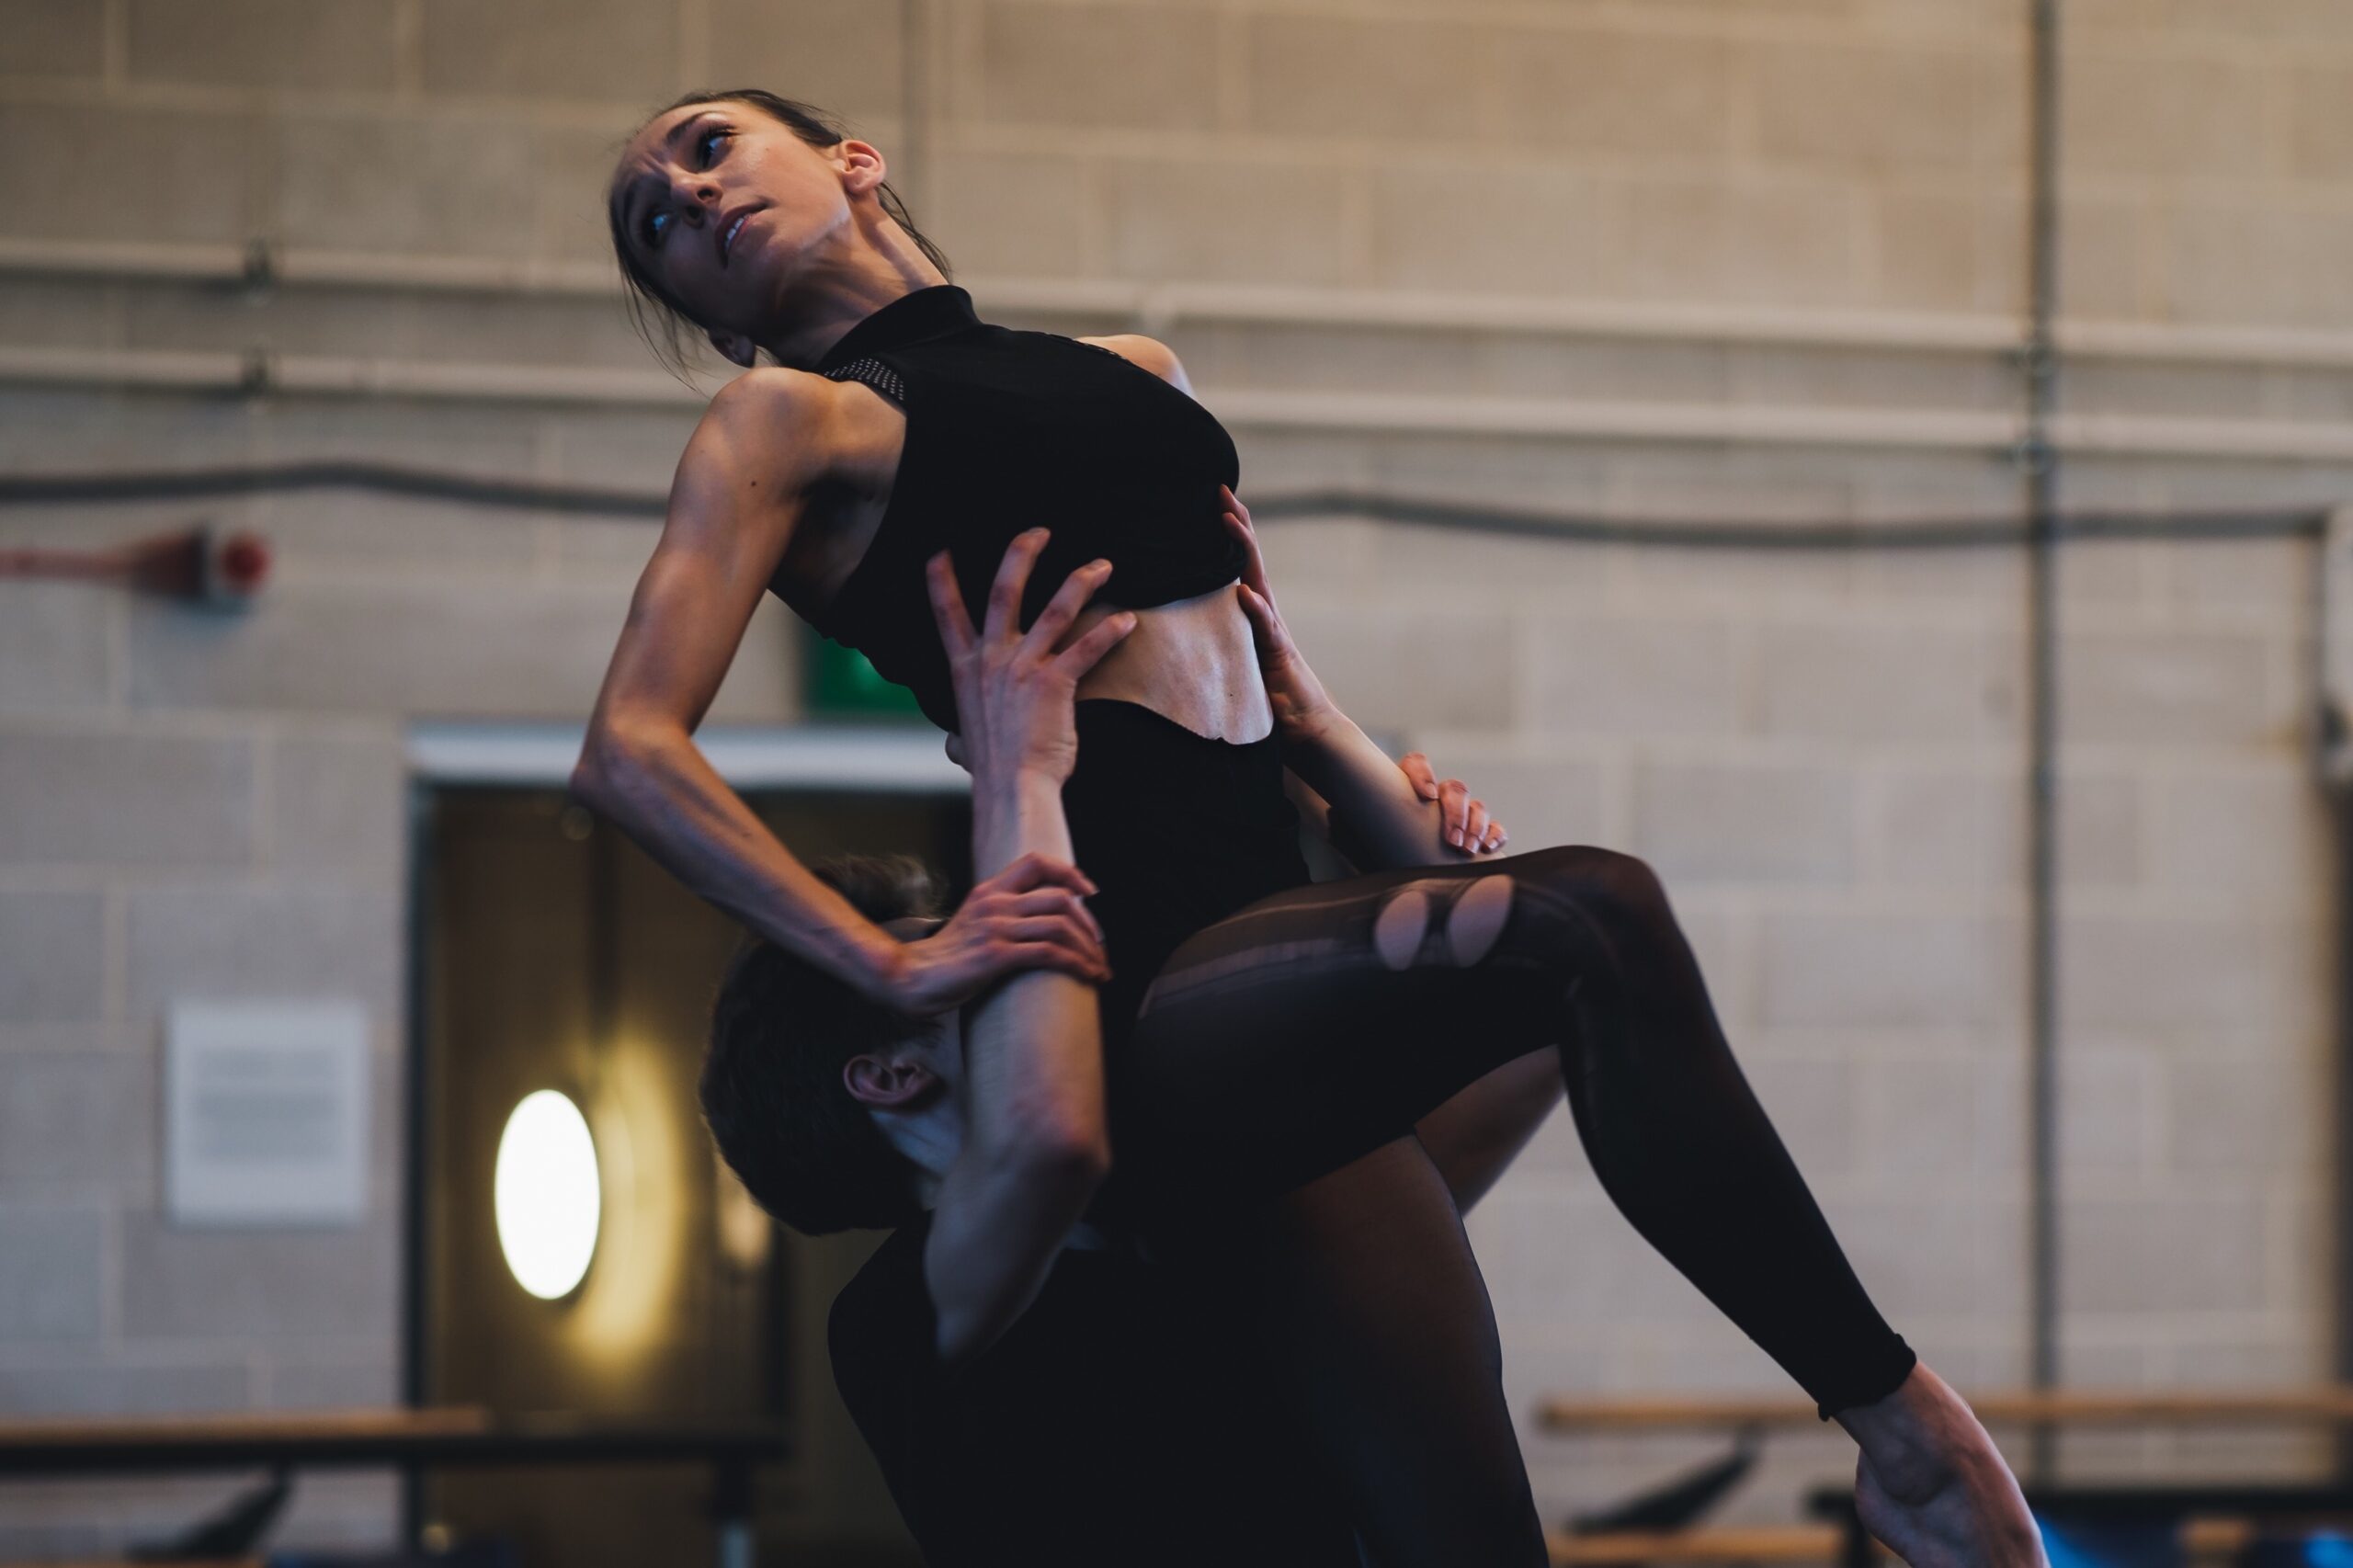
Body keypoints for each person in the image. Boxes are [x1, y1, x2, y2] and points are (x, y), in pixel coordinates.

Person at [578, 86, 2044, 1565]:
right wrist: (887, 966)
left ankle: (1890, 1425)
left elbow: (1255, 712)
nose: (689, 197)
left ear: (853, 159)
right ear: (711, 321)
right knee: (1591, 912)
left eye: (710, 148)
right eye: (657, 223)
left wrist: (1351, 765)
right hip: (1140, 995)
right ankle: (1899, 1423)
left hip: (1269, 983)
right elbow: (629, 750)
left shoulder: (1137, 372)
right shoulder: (787, 422)